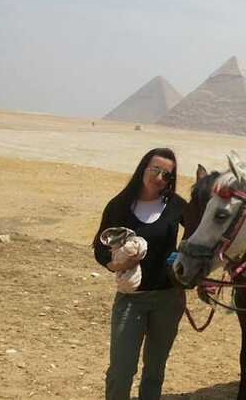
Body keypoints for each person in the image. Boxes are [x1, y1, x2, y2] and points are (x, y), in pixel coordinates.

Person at [92, 148, 187, 400]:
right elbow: (100, 251)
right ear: (143, 168)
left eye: (166, 174)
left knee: (154, 372)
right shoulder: (120, 205)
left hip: (168, 299)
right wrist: (119, 265)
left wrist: (184, 257)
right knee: (121, 372)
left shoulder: (177, 206)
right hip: (130, 298)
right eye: (154, 169)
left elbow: (202, 233)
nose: (159, 177)